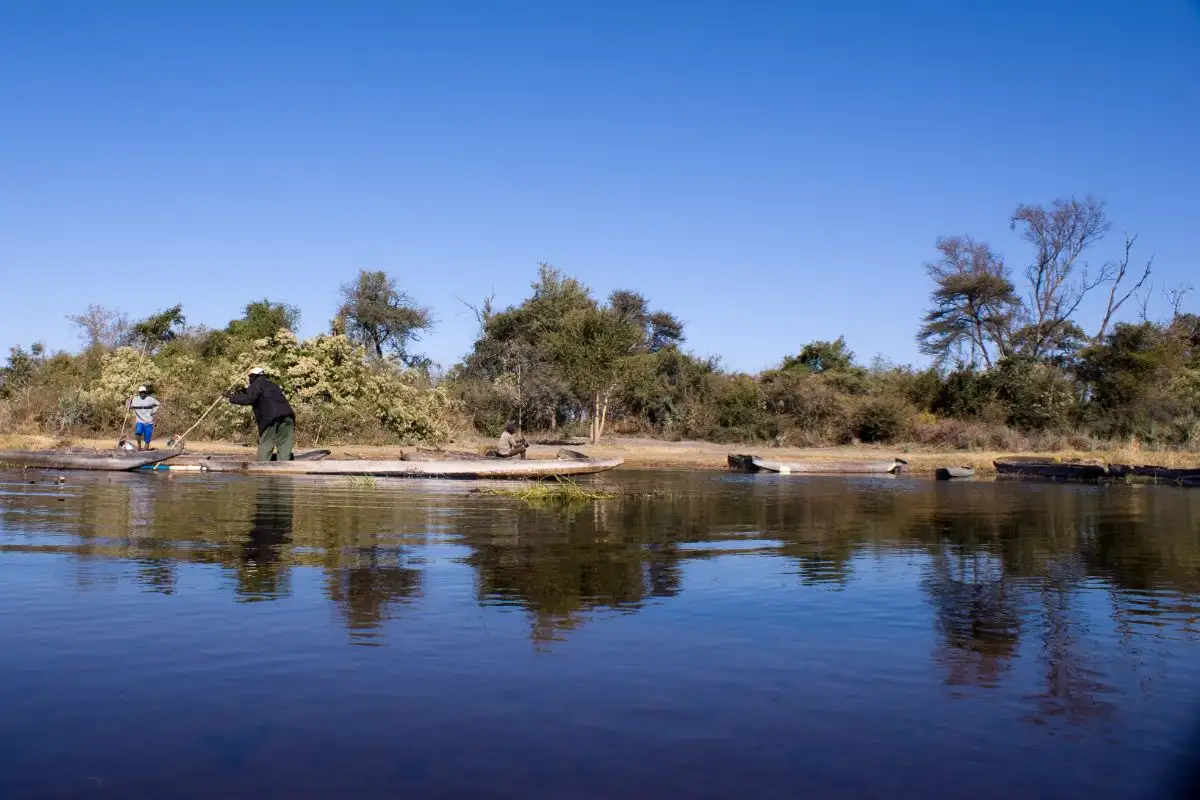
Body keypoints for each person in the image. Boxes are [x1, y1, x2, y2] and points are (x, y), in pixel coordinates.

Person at [227, 367, 296, 462]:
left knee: (266, 442)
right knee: (285, 444)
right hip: (288, 416)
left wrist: (231, 397)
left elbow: (248, 399)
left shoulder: (256, 385)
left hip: (271, 418)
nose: (249, 379)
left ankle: (262, 467)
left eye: (250, 376)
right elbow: (261, 395)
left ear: (254, 376)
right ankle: (284, 466)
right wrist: (243, 391)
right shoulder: (273, 385)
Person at [128, 385, 161, 451]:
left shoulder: (150, 399)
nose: (142, 393)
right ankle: (139, 446)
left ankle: (146, 448)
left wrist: (153, 411)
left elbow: (158, 404)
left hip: (149, 421)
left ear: (145, 392)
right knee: (138, 432)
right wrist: (129, 403)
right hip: (139, 420)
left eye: (143, 392)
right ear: (139, 393)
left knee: (147, 437)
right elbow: (129, 406)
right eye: (141, 392)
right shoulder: (135, 399)